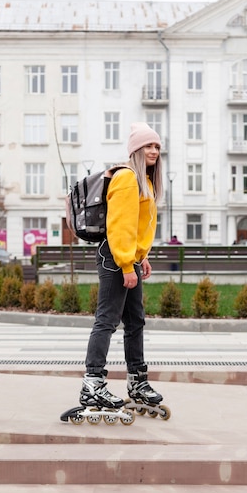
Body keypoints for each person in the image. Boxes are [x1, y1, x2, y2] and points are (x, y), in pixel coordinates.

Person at [79, 122, 164, 410]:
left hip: (130, 258)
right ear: (136, 150)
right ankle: (93, 384)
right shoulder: (127, 178)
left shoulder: (145, 181)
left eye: (157, 146)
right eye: (148, 146)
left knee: (135, 322)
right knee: (107, 320)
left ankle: (137, 380)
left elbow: (138, 227)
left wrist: (142, 256)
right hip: (116, 258)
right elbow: (120, 226)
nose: (154, 151)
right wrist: (127, 264)